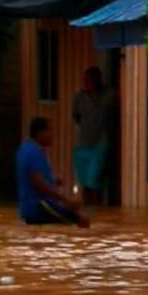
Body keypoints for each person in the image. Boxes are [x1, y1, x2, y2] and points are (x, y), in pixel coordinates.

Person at [16, 117, 90, 228]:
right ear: (40, 133)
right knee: (82, 222)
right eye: (49, 130)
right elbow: (38, 184)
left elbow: (32, 177)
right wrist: (66, 201)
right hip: (39, 205)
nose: (52, 135)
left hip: (28, 208)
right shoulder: (33, 152)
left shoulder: (26, 149)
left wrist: (54, 181)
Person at [72, 66, 114, 206]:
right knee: (84, 182)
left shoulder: (106, 96)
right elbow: (76, 116)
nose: (86, 83)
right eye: (85, 80)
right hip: (82, 145)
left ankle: (98, 210)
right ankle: (88, 210)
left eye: (89, 80)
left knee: (94, 180)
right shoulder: (79, 97)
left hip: (99, 145)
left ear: (97, 80)